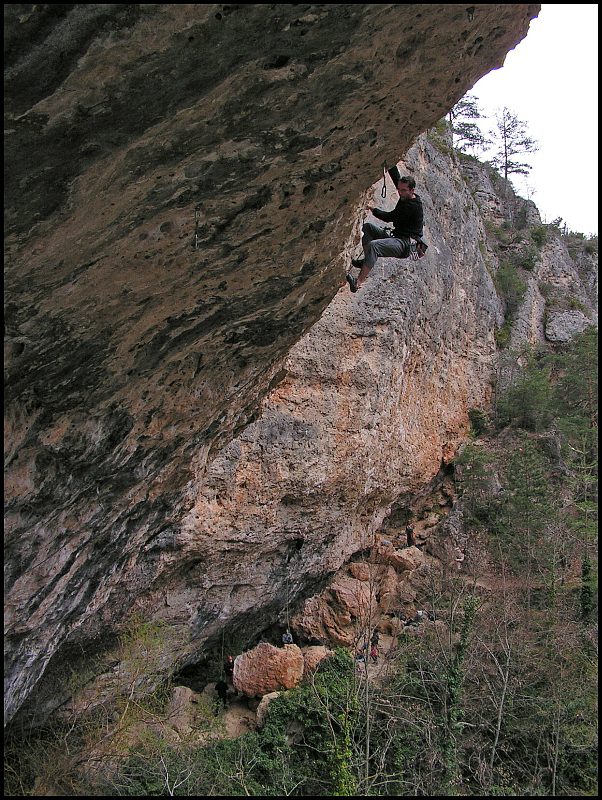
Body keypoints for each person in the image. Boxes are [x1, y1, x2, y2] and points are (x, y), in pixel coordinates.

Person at [346, 172, 428, 293]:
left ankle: (357, 283)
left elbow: (389, 217)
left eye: (404, 190)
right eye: (399, 190)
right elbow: (397, 178)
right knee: (368, 228)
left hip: (404, 245)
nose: (400, 193)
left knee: (374, 246)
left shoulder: (412, 207)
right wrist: (389, 163)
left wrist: (372, 209)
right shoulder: (406, 195)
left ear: (412, 190)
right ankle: (366, 260)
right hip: (396, 237)